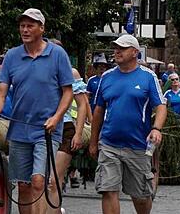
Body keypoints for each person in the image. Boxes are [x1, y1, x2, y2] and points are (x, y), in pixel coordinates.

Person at [0, 8, 73, 214]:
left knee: (38, 181)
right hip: (19, 130)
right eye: (22, 26)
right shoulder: (13, 56)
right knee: (23, 185)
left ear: (42, 28)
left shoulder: (57, 54)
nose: (25, 29)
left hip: (46, 130)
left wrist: (56, 117)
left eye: (30, 25)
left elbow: (68, 93)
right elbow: (1, 92)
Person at [90, 34, 166, 214]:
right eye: (116, 47)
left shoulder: (148, 77)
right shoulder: (106, 77)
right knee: (108, 190)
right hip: (109, 144)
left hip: (138, 145)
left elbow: (161, 106)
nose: (117, 51)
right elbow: (98, 111)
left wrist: (156, 128)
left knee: (140, 196)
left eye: (122, 48)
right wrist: (94, 142)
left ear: (135, 52)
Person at [47, 39, 89, 214]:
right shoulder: (40, 69)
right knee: (39, 181)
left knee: (53, 180)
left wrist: (79, 133)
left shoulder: (71, 73)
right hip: (43, 128)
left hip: (65, 129)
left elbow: (81, 104)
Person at [87, 53, 111, 117]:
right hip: (93, 108)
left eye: (104, 66)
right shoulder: (91, 80)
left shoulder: (110, 80)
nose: (102, 68)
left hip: (106, 109)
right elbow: (87, 97)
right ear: (96, 68)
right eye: (100, 66)